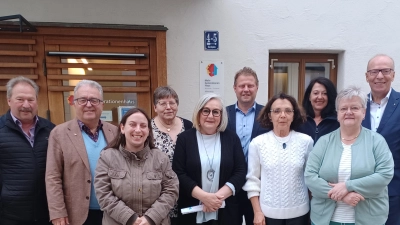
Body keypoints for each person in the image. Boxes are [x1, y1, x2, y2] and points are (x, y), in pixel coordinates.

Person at [305, 86, 394, 225]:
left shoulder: (377, 141)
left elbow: (385, 174)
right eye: (343, 108)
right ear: (337, 114)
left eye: (354, 108)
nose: (349, 112)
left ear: (364, 112)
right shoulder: (324, 142)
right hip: (325, 220)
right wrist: (342, 196)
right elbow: (310, 176)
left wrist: (348, 186)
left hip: (368, 220)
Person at [46, 80, 118, 225]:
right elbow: (53, 177)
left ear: (102, 104)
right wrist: (57, 211)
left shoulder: (115, 132)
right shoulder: (59, 133)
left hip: (113, 212)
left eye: (94, 100)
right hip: (76, 215)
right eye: (83, 100)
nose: (89, 104)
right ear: (74, 103)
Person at [94, 108, 179, 225]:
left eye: (143, 126)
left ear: (149, 130)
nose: (138, 130)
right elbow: (103, 193)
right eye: (132, 125)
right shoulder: (107, 157)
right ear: (122, 128)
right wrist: (130, 218)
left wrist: (150, 218)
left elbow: (171, 191)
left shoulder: (161, 158)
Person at [172, 93, 247, 225]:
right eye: (206, 111)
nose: (210, 116)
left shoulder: (231, 138)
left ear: (221, 116)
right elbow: (178, 173)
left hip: (227, 212)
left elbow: (240, 171)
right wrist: (204, 197)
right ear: (198, 113)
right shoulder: (184, 139)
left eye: (216, 112)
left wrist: (215, 200)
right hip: (192, 211)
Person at [243, 93, 313, 225]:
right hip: (268, 215)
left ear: (294, 115)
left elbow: (310, 178)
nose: (282, 115)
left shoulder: (306, 142)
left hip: (300, 214)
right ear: (270, 115)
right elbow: (252, 181)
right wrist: (257, 212)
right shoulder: (257, 143)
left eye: (288, 111)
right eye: (277, 111)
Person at [0, 76, 55, 225]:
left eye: (31, 100)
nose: (26, 105)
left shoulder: (51, 130)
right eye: (20, 99)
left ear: (37, 101)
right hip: (10, 216)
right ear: (9, 100)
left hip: (47, 214)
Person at [226, 67, 269, 225]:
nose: (246, 89)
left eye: (250, 85)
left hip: (259, 186)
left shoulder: (268, 114)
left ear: (257, 87)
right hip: (230, 185)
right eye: (242, 86)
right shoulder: (223, 115)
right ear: (235, 88)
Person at [361, 54, 400, 225]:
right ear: (367, 76)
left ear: (393, 74)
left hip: (394, 191)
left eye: (385, 71)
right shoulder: (357, 105)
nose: (379, 76)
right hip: (360, 191)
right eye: (374, 71)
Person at [152, 86, 192, 224]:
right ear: (155, 107)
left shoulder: (189, 126)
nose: (168, 107)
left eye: (172, 103)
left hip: (186, 191)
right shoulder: (147, 129)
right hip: (158, 195)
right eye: (162, 103)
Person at [297, 77, 339, 143]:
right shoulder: (298, 120)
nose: (320, 97)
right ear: (309, 97)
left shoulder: (338, 121)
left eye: (324, 93)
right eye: (316, 93)